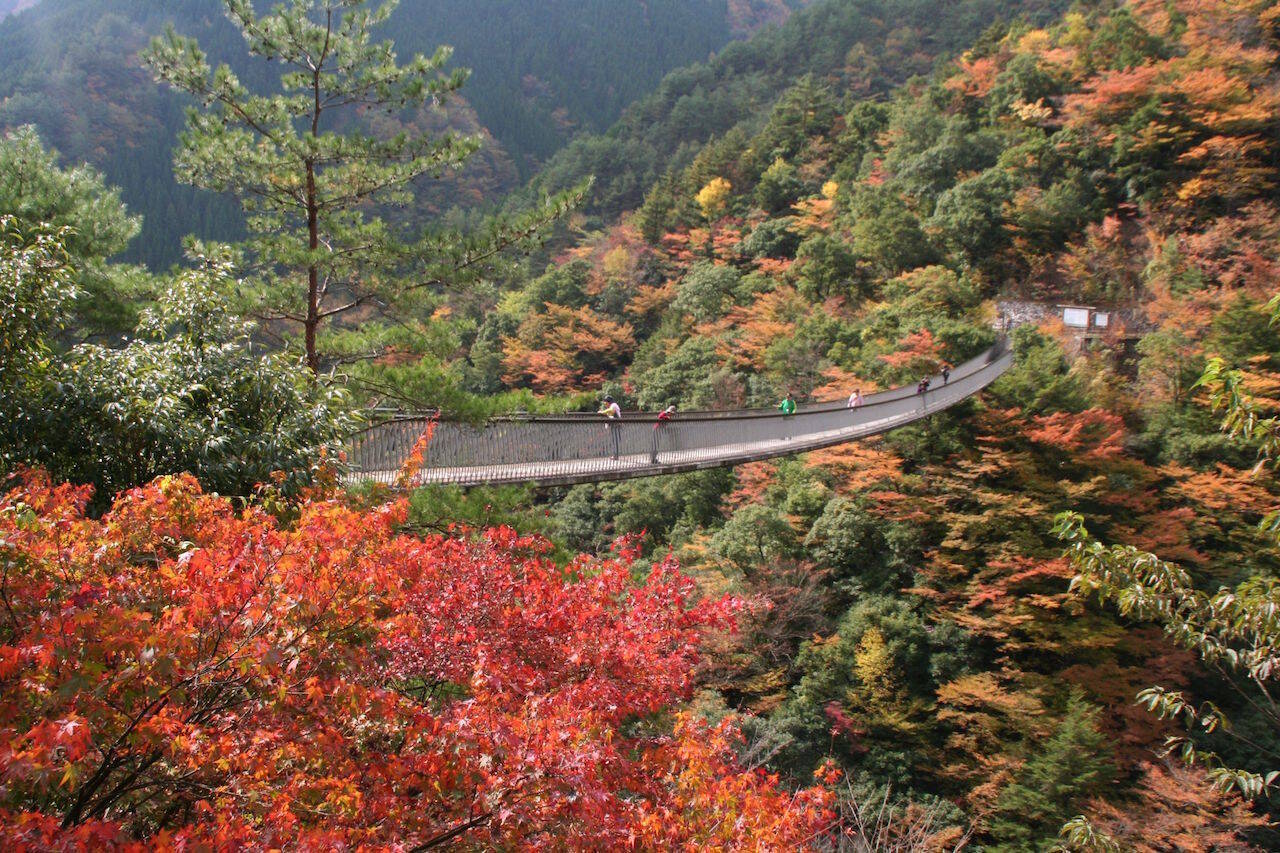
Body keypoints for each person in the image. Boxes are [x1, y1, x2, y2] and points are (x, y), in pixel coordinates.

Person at [599, 394, 622, 459]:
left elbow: (611, 411)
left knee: (615, 440)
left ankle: (615, 456)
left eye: (605, 402)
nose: (605, 404)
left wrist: (602, 412)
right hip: (614, 425)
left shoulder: (613, 405)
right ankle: (615, 455)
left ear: (608, 401)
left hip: (616, 425)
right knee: (614, 440)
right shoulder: (611, 406)